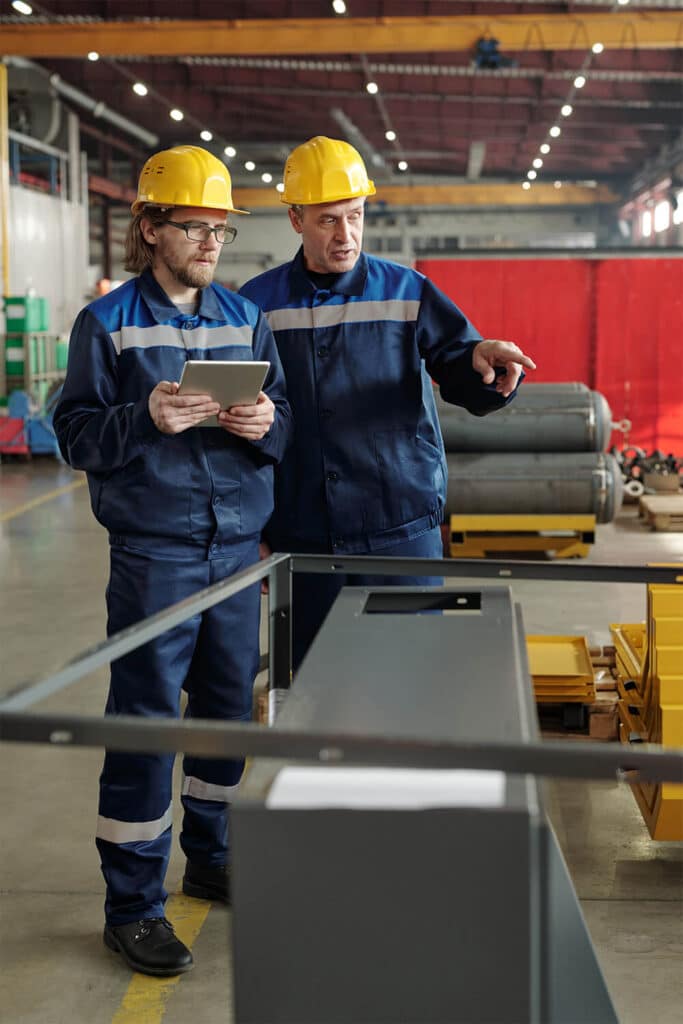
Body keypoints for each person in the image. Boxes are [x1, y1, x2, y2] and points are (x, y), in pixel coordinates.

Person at [53, 146, 292, 977]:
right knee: (148, 724)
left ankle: (214, 857)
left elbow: (283, 414)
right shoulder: (107, 323)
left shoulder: (242, 316)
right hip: (155, 553)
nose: (211, 242)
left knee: (227, 714)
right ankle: (133, 907)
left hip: (236, 551)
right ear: (149, 228)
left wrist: (268, 428)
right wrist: (143, 416)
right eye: (194, 226)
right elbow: (74, 436)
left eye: (221, 228)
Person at [240, 136, 535, 670]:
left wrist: (481, 361)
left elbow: (456, 359)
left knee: (413, 679)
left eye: (355, 216)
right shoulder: (256, 305)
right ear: (295, 219)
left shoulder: (406, 290)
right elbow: (243, 426)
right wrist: (253, 530)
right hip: (302, 532)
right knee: (313, 684)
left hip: (399, 526)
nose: (346, 235)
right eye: (328, 220)